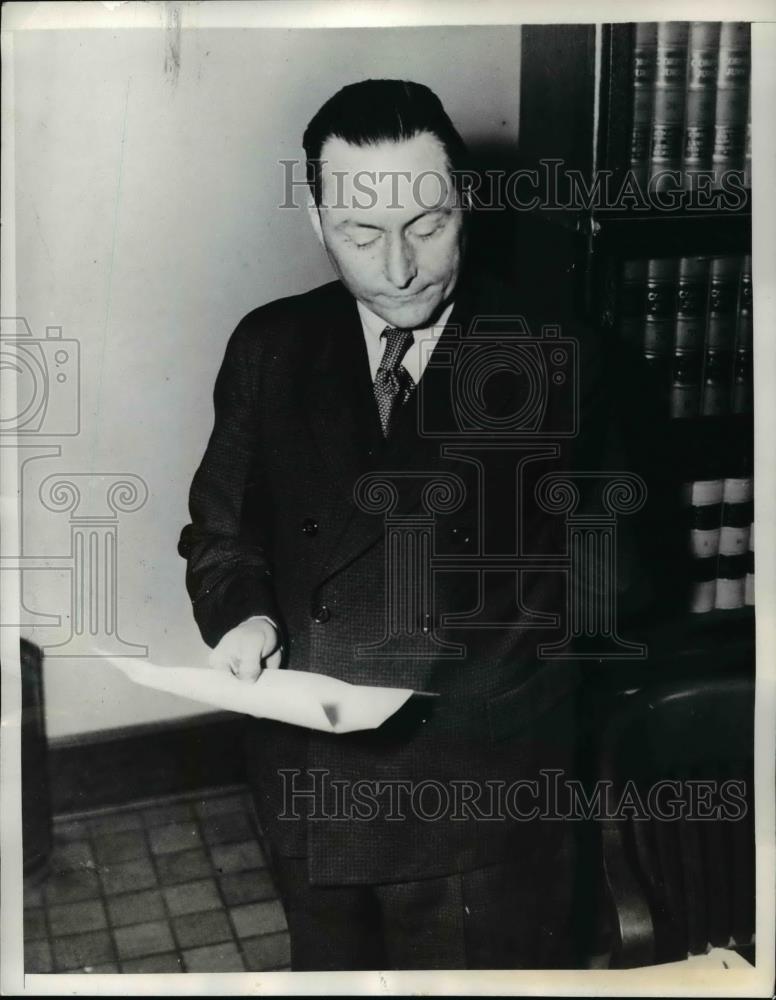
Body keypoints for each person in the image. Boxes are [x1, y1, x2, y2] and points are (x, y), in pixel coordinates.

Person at [178, 79, 610, 970]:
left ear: (466, 202)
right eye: (361, 234)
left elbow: (610, 580)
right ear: (318, 225)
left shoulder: (560, 357)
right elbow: (219, 535)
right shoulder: (270, 346)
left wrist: (440, 658)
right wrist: (244, 618)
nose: (399, 268)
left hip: (479, 796)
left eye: (427, 225)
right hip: (310, 782)